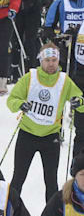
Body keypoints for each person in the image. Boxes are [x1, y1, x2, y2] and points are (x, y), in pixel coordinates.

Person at [5, 44, 84, 205]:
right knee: (18, 177)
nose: (51, 64)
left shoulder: (64, 81)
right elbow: (11, 100)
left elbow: (80, 99)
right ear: (41, 61)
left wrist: (78, 102)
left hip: (51, 137)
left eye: (54, 60)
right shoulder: (30, 77)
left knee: (51, 181)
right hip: (27, 134)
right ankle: (9, 212)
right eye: (47, 60)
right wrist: (20, 104)